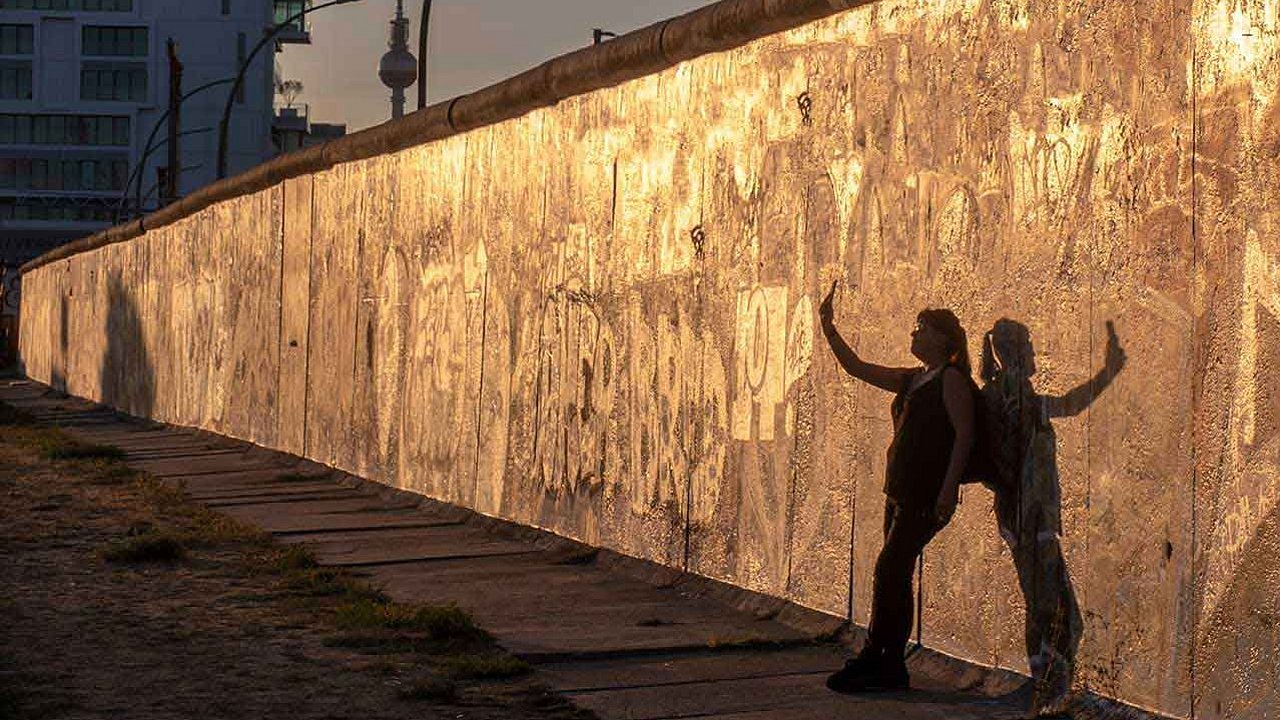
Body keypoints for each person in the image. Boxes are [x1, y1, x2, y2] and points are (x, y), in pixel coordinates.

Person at [818, 281, 976, 692]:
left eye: (922, 327)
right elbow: (857, 367)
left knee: (889, 570)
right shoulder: (912, 379)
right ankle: (891, 666)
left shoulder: (952, 380)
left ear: (943, 339)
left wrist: (948, 490)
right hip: (899, 492)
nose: (914, 333)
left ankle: (876, 657)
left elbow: (964, 435)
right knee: (895, 574)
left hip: (926, 495)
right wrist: (829, 328)